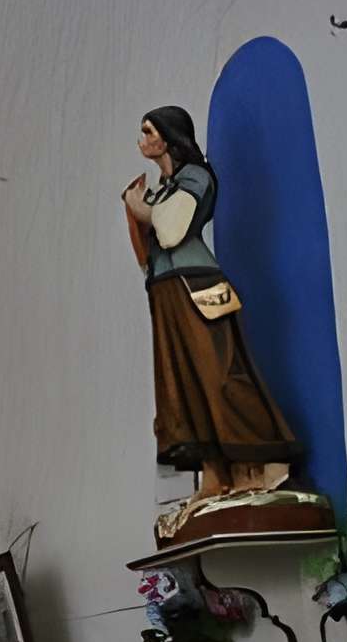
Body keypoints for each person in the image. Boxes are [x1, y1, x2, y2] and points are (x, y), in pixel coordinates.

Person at [125, 106, 301, 532]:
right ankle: (217, 475)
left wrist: (139, 206)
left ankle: (261, 462)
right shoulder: (164, 186)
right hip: (165, 290)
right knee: (182, 384)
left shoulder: (195, 178)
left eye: (148, 131)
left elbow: (171, 231)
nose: (141, 140)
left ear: (168, 137)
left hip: (196, 283)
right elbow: (149, 252)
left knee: (220, 372)